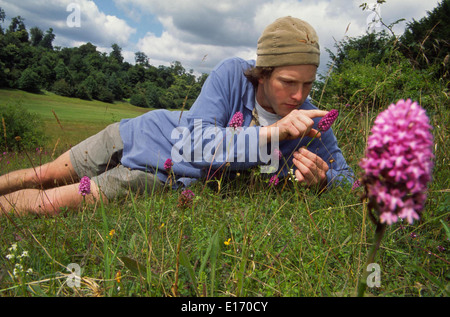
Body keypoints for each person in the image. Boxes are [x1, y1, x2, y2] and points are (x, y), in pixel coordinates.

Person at [0, 16, 353, 217]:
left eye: (308, 83)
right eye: (288, 82)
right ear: (263, 72)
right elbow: (193, 144)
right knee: (42, 173)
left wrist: (323, 182)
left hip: (161, 176)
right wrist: (271, 133)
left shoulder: (311, 120)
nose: (299, 96)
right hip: (139, 134)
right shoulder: (232, 74)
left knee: (51, 203)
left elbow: (347, 180)